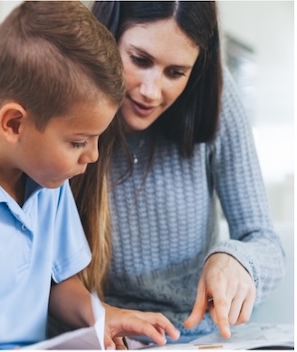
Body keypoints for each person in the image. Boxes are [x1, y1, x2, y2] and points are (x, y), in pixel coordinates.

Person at [0, 1, 181, 349]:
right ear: (14, 124)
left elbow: (59, 285)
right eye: (78, 142)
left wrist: (100, 315)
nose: (94, 155)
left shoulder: (47, 180)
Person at [70, 1, 287, 346]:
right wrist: (98, 317)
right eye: (140, 60)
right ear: (107, 36)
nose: (151, 92)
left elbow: (265, 241)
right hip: (104, 335)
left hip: (195, 337)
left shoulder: (216, 96)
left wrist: (237, 259)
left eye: (176, 72)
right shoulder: (66, 100)